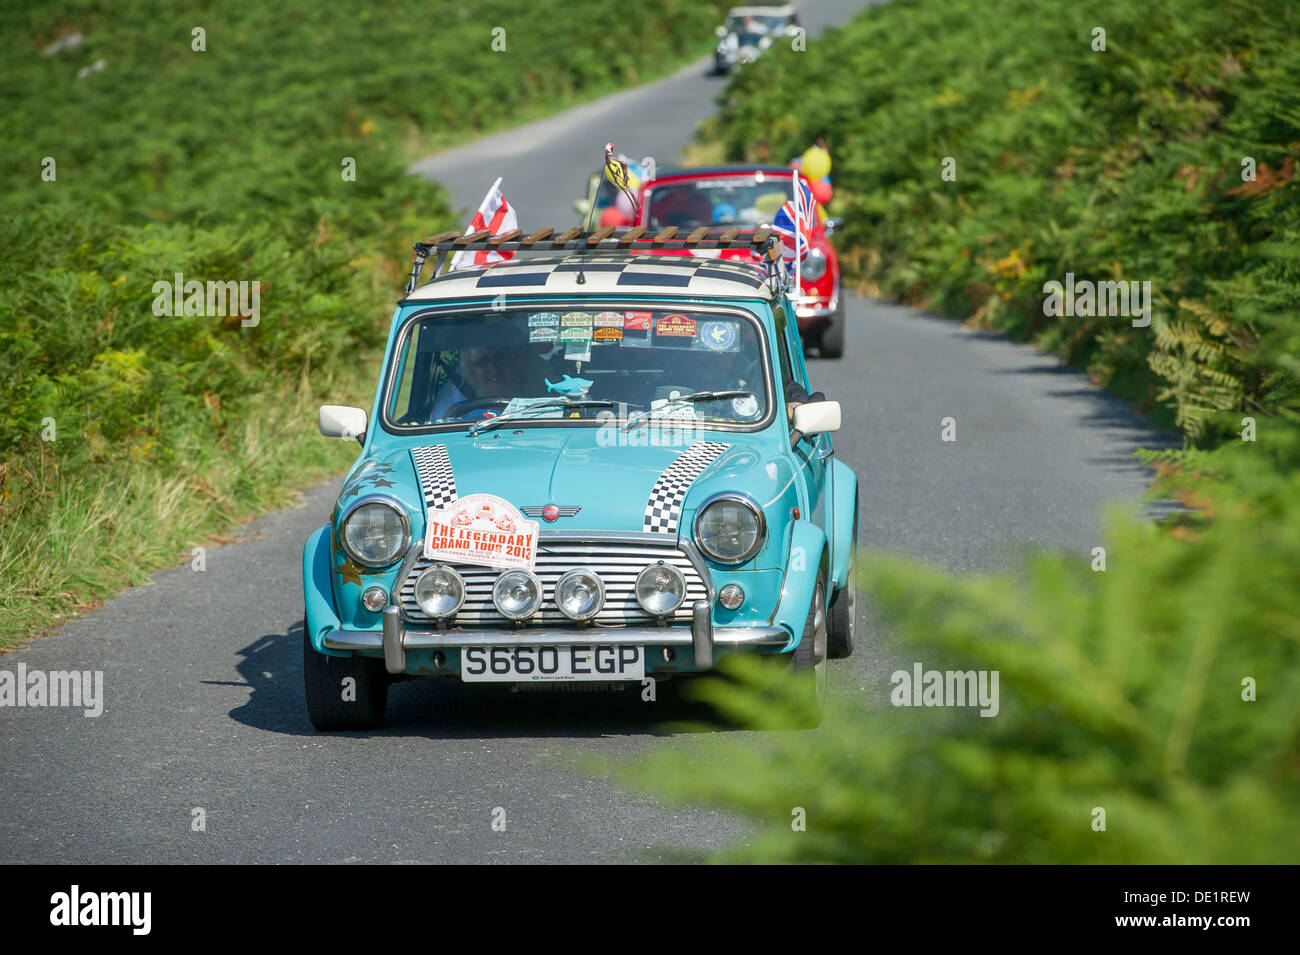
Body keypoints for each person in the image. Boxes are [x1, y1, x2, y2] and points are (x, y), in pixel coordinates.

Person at [430, 344, 542, 420]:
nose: (493, 367)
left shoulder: (542, 408)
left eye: (501, 358)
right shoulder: (457, 413)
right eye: (482, 362)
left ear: (516, 364)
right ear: (473, 372)